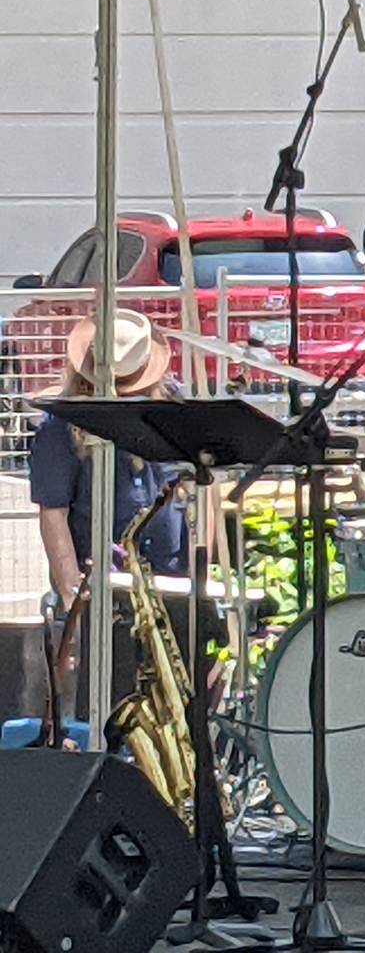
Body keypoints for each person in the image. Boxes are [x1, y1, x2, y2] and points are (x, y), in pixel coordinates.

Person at [30, 308, 217, 718]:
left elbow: (197, 490)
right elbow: (53, 515)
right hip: (106, 591)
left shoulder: (168, 412)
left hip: (170, 583)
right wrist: (71, 598)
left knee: (190, 699)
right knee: (110, 706)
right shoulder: (60, 428)